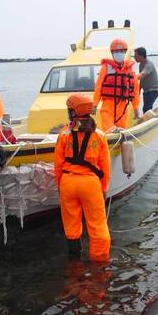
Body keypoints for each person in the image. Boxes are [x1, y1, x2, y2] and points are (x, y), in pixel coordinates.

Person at [54, 93, 111, 261]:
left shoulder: (64, 134)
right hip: (91, 184)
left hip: (68, 182)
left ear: (73, 111)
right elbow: (105, 165)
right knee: (97, 226)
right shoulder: (99, 135)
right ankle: (99, 264)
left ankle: (74, 261)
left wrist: (60, 186)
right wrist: (104, 187)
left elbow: (57, 164)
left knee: (71, 225)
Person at [93, 38, 140, 132]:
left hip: (123, 108)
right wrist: (94, 105)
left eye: (122, 51)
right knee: (108, 131)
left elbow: (135, 90)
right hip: (108, 106)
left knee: (122, 133)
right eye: (117, 51)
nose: (119, 53)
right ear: (112, 53)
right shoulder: (106, 67)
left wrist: (136, 108)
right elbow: (98, 87)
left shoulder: (130, 69)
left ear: (125, 52)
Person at [134, 47, 158, 112]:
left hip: (153, 90)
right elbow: (141, 79)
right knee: (146, 109)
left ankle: (152, 121)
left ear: (141, 56)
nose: (134, 57)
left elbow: (142, 74)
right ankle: (150, 118)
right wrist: (138, 90)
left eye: (135, 56)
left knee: (147, 109)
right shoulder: (140, 65)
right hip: (146, 91)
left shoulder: (149, 64)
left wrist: (129, 79)